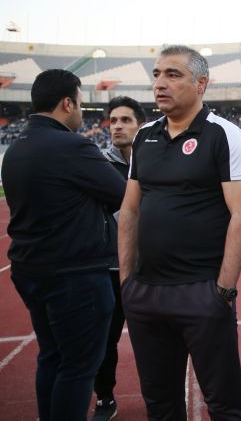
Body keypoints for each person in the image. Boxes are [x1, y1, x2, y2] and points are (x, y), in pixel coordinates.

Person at [118, 45, 241, 420]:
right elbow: (130, 209)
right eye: (157, 74)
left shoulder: (225, 135)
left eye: (173, 74)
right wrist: (127, 282)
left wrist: (223, 290)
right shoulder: (144, 136)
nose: (160, 83)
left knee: (224, 405)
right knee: (160, 403)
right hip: (145, 293)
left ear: (201, 83)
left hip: (202, 291)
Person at [2, 69, 126, 421]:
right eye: (81, 104)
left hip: (31, 269)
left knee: (52, 357)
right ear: (67, 103)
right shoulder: (72, 146)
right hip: (75, 274)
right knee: (78, 367)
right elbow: (122, 195)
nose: (81, 112)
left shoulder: (17, 148)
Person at [90, 96, 146, 421]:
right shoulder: (96, 165)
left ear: (140, 126)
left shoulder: (152, 162)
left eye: (125, 120)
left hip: (147, 268)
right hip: (108, 268)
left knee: (151, 340)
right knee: (104, 341)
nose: (117, 127)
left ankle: (158, 395)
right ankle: (104, 398)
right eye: (113, 121)